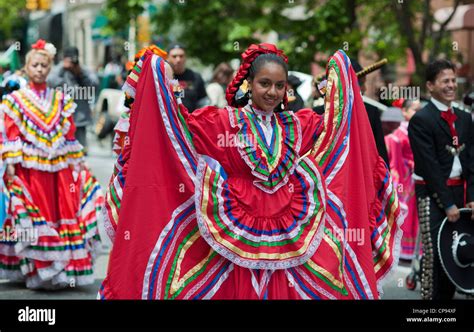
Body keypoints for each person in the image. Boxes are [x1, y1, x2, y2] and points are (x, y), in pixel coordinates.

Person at [99, 43, 402, 299]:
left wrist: (341, 76)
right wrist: (157, 76)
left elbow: (337, 126)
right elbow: (176, 127)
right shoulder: (221, 122)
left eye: (280, 85)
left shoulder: (298, 124)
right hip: (233, 227)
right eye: (264, 84)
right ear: (249, 83)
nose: (272, 92)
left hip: (290, 231)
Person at [0, 40, 104, 289]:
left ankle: (60, 271)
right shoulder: (15, 100)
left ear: (50, 67)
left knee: (62, 213)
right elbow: (11, 135)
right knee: (35, 215)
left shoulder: (60, 100)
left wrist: (78, 164)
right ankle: (35, 269)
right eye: (35, 65)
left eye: (44, 65)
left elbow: (69, 137)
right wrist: (11, 166)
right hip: (29, 170)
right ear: (26, 68)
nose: (39, 69)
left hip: (58, 170)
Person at [408, 59, 474, 300]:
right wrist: (447, 203)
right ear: (430, 86)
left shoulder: (465, 119)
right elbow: (429, 167)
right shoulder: (421, 120)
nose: (451, 85)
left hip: (462, 194)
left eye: (453, 80)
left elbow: (472, 163)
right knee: (436, 258)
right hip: (433, 195)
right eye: (445, 81)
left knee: (460, 256)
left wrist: (472, 198)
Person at [384, 98, 421, 260]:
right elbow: (396, 163)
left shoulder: (419, 131)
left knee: (416, 215)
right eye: (414, 110)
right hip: (406, 178)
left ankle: (414, 249)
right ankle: (402, 249)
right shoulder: (398, 136)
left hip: (417, 178)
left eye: (419, 110)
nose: (418, 114)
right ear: (404, 112)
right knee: (407, 214)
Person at [48, 46, 99, 152]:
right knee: (62, 150)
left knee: (80, 151)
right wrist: (63, 69)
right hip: (62, 118)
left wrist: (80, 73)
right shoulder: (58, 70)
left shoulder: (83, 70)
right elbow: (50, 81)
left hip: (80, 117)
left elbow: (95, 84)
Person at [167, 43, 207, 112]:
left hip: (192, 120)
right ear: (168, 58)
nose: (178, 59)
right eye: (174, 56)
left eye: (181, 56)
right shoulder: (162, 78)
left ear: (186, 57)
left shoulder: (195, 77)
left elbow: (203, 102)